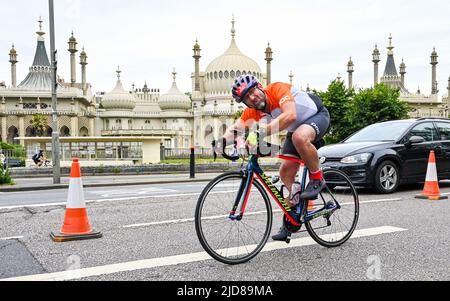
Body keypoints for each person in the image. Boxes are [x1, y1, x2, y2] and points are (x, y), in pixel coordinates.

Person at [218, 75, 330, 241]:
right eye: (246, 98)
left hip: (317, 117)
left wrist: (259, 133)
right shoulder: (254, 110)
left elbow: (290, 115)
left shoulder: (277, 89)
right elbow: (237, 128)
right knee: (285, 172)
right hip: (296, 130)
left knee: (299, 137)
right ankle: (295, 216)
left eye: (252, 91)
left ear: (260, 86)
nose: (252, 98)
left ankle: (317, 178)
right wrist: (219, 142)